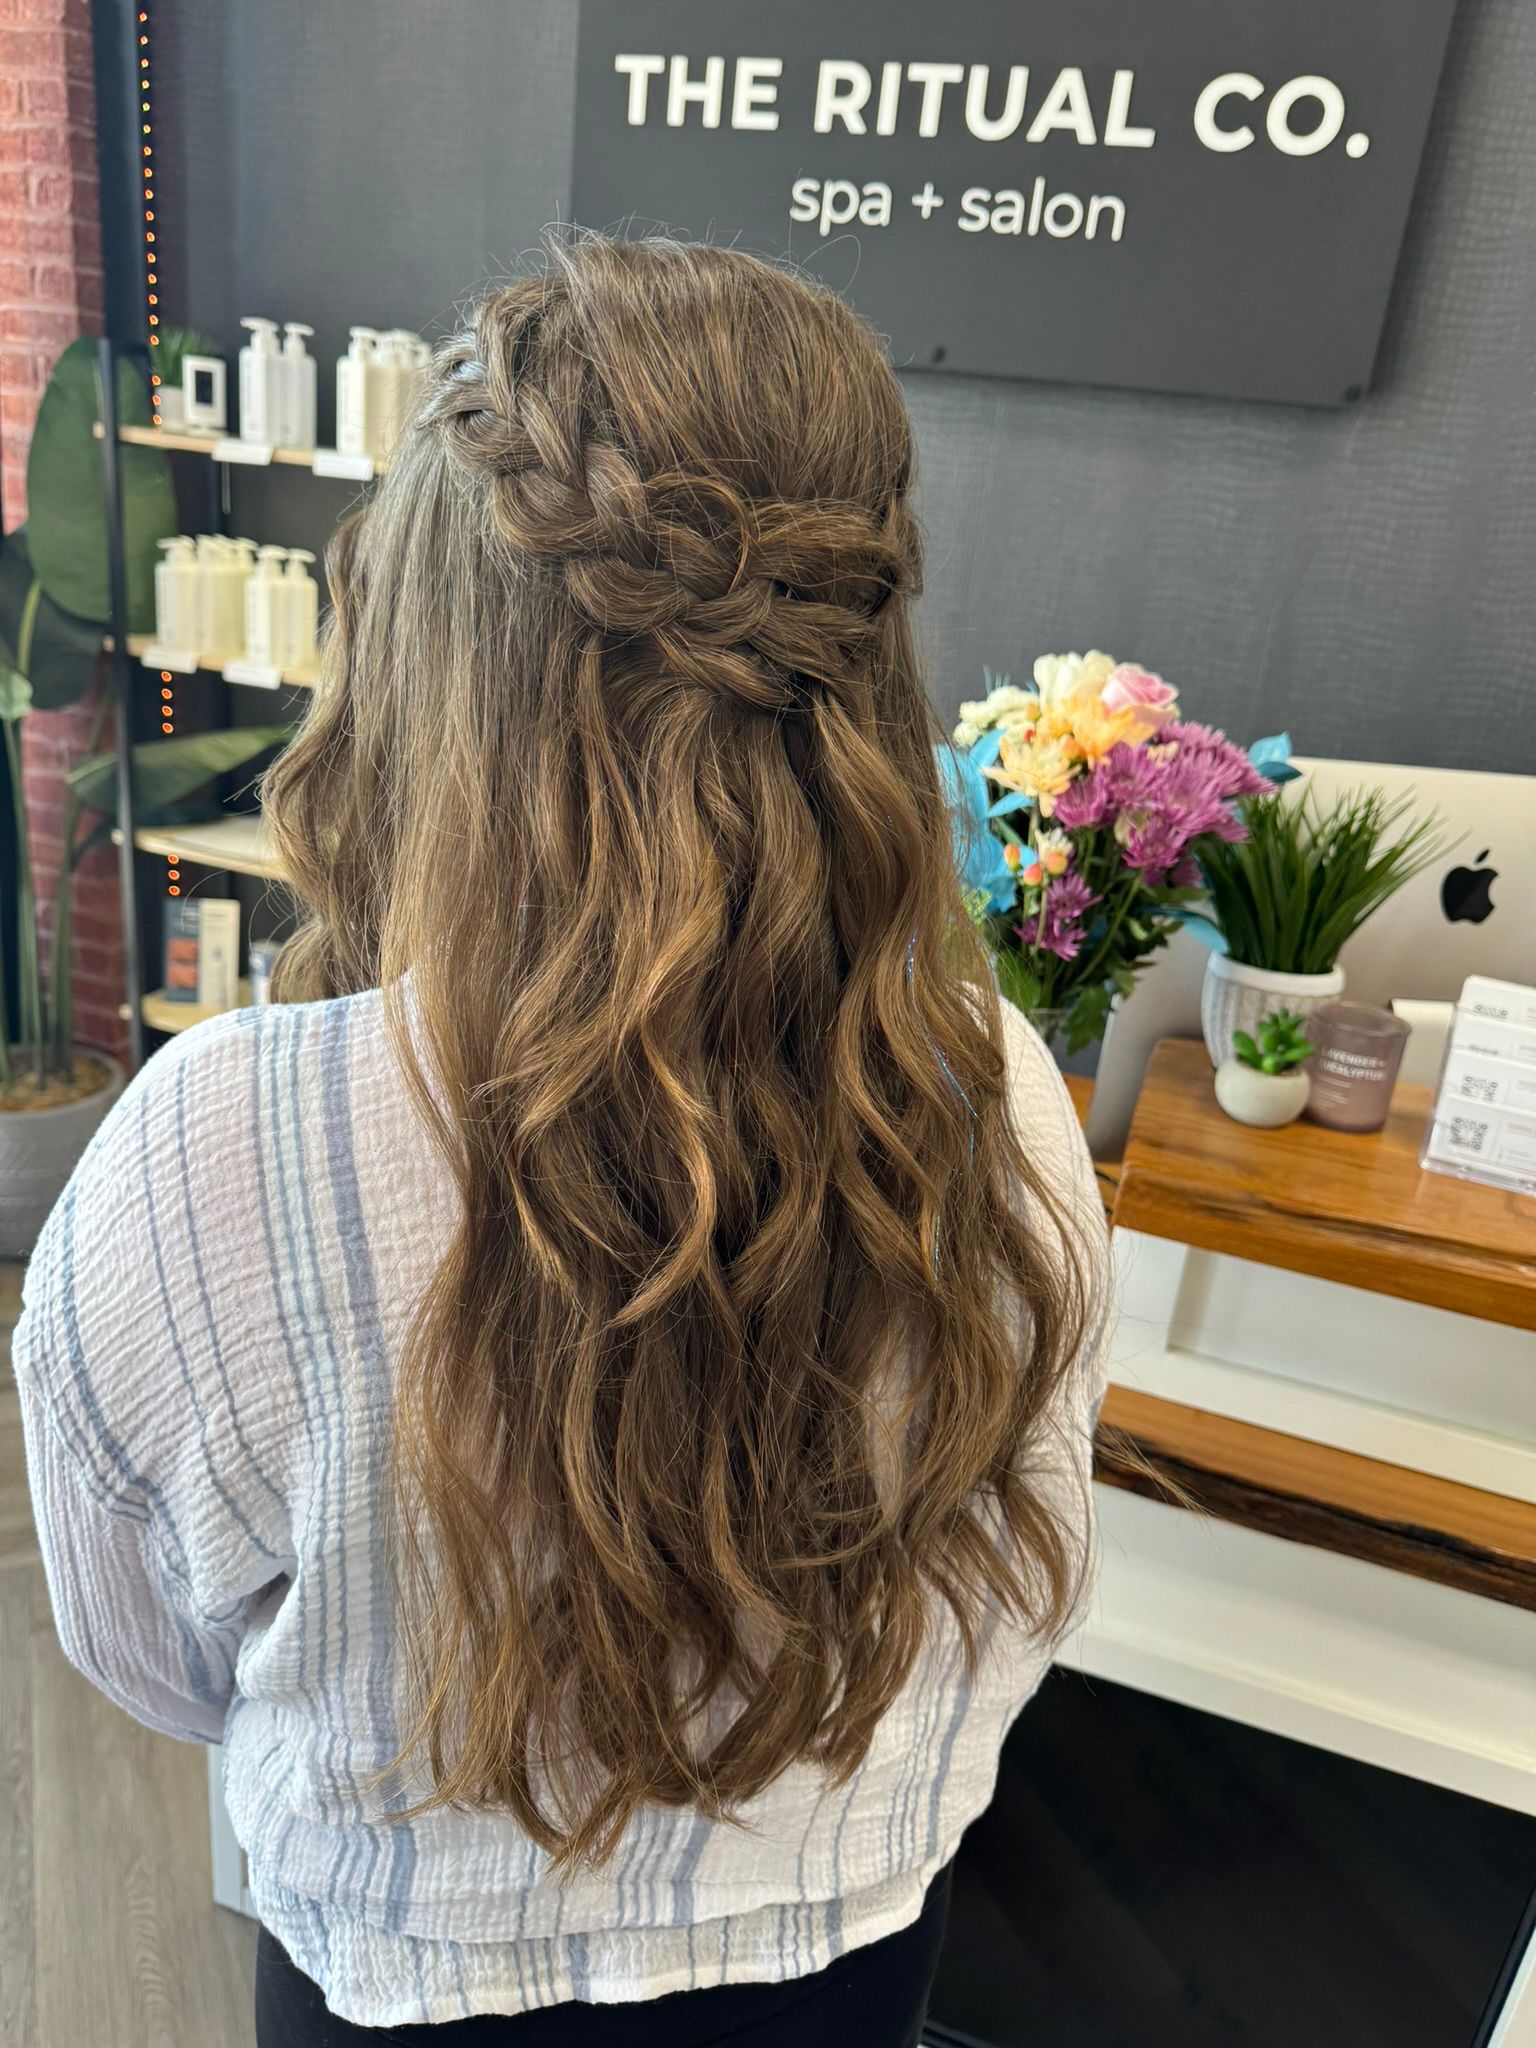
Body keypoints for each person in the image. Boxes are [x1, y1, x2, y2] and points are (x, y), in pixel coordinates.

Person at [13, 235, 1109, 2044]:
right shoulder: (992, 1101)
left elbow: (154, 1659)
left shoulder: (217, 1151)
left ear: (428, 651)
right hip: (843, 1964)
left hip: (405, 1986)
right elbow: (1012, 1591)